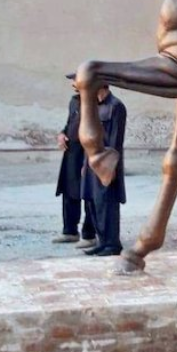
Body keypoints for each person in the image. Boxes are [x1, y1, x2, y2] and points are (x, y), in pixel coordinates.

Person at [81, 85, 127, 257]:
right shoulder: (93, 106)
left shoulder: (116, 106)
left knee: (108, 203)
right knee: (94, 202)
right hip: (91, 161)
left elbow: (116, 140)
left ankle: (112, 244)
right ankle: (102, 242)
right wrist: (85, 164)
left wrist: (110, 166)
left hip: (106, 162)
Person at [53, 86, 96, 250]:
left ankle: (89, 234)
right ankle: (70, 231)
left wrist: (91, 158)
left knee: (89, 193)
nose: (73, 83)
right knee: (69, 190)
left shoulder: (95, 102)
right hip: (72, 152)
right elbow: (69, 123)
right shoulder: (74, 101)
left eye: (76, 80)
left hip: (87, 152)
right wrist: (62, 133)